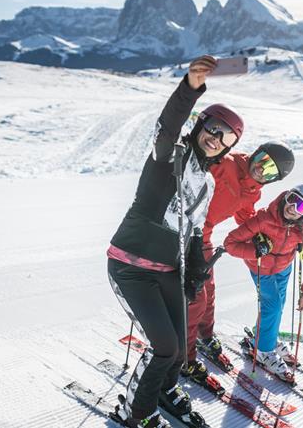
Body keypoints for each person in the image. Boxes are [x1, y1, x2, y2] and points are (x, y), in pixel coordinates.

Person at [107, 55, 244, 428]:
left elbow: (194, 230)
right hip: (131, 266)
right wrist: (190, 88)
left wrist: (196, 266)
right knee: (163, 347)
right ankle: (136, 411)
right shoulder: (171, 156)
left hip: (168, 270)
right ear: (201, 125)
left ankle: (165, 389)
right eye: (214, 129)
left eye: (227, 138)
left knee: (180, 348)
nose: (217, 140)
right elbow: (167, 127)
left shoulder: (207, 181)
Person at [183, 142, 296, 383]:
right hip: (181, 232)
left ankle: (205, 336)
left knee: (209, 292)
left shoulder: (254, 191)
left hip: (203, 237)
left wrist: (265, 235)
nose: (261, 170)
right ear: (256, 153)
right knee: (195, 298)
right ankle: (185, 355)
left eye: (270, 172)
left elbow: (244, 215)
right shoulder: (227, 164)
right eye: (262, 161)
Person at [223, 184, 303, 382]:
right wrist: (255, 251)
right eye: (292, 198)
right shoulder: (264, 219)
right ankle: (264, 351)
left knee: (278, 307)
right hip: (261, 268)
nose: (292, 207)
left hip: (284, 269)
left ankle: (264, 336)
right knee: (273, 306)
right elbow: (230, 243)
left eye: (301, 207)